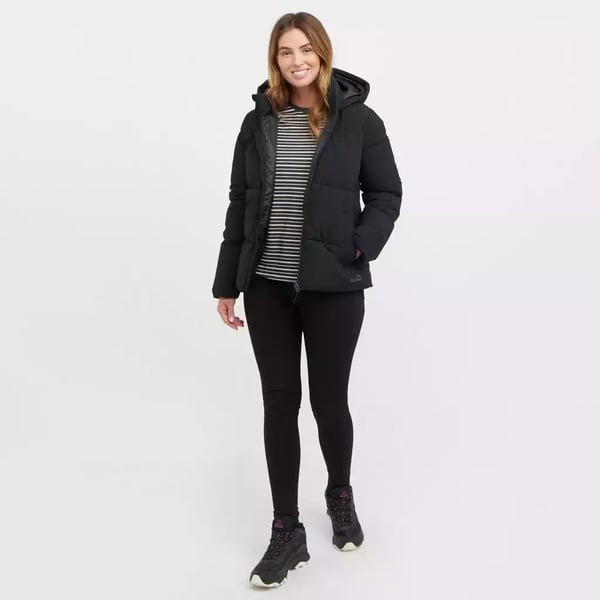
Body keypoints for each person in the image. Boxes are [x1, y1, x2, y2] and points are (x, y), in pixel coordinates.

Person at [212, 11, 402, 588]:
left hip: (333, 288)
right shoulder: (258, 122)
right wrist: (227, 282)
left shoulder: (357, 119)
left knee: (328, 400)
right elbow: (240, 200)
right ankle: (285, 530)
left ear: (322, 53)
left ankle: (339, 494)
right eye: (285, 52)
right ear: (276, 59)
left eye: (305, 50)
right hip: (267, 285)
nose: (296, 61)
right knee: (278, 403)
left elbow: (386, 193)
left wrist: (357, 247)